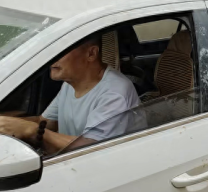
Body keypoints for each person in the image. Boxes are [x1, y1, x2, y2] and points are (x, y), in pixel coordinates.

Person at [0, 34, 141, 155]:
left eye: (62, 50)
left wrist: (31, 130)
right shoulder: (70, 84)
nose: (52, 57)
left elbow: (93, 146)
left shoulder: (114, 93)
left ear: (91, 54)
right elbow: (45, 123)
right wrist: (7, 123)